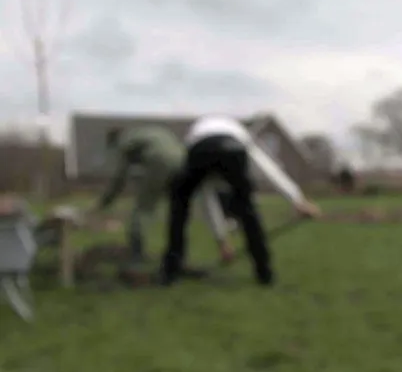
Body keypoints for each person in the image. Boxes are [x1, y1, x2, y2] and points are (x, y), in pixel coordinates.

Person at [160, 116, 321, 286]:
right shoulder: (239, 135)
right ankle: (264, 273)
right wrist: (297, 200)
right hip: (234, 150)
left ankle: (171, 271)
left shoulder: (197, 137)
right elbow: (268, 169)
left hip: (201, 150)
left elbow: (208, 201)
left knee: (179, 203)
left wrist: (222, 240)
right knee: (247, 209)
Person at [87, 125, 239, 269]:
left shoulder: (124, 143)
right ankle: (222, 244)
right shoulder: (150, 131)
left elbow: (118, 179)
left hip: (158, 160)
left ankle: (136, 252)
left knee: (144, 207)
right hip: (182, 159)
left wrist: (103, 203)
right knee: (186, 206)